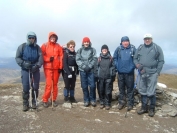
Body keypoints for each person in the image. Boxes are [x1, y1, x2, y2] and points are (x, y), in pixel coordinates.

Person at [134, 34, 164, 117]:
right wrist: (138, 66)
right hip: (142, 72)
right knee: (142, 91)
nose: (147, 40)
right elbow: (135, 58)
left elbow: (161, 60)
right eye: (145, 39)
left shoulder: (156, 48)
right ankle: (144, 108)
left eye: (149, 39)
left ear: (151, 39)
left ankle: (151, 109)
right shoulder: (140, 48)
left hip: (152, 72)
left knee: (151, 92)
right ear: (143, 39)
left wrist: (157, 71)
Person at [15, 31, 43, 111]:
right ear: (27, 38)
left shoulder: (37, 48)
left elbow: (41, 58)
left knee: (35, 86)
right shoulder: (22, 47)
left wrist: (37, 66)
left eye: (33, 38)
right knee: (26, 86)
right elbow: (17, 58)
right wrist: (24, 64)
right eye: (30, 38)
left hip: (35, 69)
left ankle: (34, 102)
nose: (31, 39)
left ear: (35, 39)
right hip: (25, 69)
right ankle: (25, 104)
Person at [113, 36, 136, 111]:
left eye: (127, 41)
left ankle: (130, 104)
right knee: (121, 89)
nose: (125, 43)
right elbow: (115, 58)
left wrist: (132, 67)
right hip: (120, 73)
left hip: (130, 73)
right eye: (124, 41)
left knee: (130, 89)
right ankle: (121, 102)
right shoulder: (118, 49)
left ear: (129, 42)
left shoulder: (133, 49)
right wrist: (117, 66)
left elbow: (136, 59)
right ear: (121, 42)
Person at [41, 32, 63, 108]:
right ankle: (45, 100)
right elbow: (41, 55)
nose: (53, 38)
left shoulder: (58, 46)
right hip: (48, 68)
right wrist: (47, 59)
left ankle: (53, 99)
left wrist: (60, 67)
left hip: (56, 68)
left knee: (55, 85)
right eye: (51, 37)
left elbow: (61, 57)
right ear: (49, 37)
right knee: (49, 84)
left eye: (54, 37)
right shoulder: (45, 45)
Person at [76, 37, 97, 107]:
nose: (86, 43)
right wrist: (84, 67)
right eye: (85, 42)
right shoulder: (80, 50)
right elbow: (78, 59)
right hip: (83, 71)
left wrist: (90, 66)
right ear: (83, 43)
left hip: (91, 71)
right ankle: (86, 100)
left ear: (89, 42)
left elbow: (95, 58)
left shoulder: (93, 50)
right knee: (84, 86)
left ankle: (93, 100)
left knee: (92, 86)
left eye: (87, 42)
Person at [94, 45, 116, 110]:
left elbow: (113, 67)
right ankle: (102, 102)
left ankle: (107, 103)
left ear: (107, 50)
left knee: (108, 91)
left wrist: (113, 75)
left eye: (105, 50)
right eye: (103, 50)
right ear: (101, 50)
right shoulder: (99, 59)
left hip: (108, 77)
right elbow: (96, 68)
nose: (104, 51)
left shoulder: (111, 58)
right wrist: (96, 75)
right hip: (100, 77)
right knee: (101, 90)